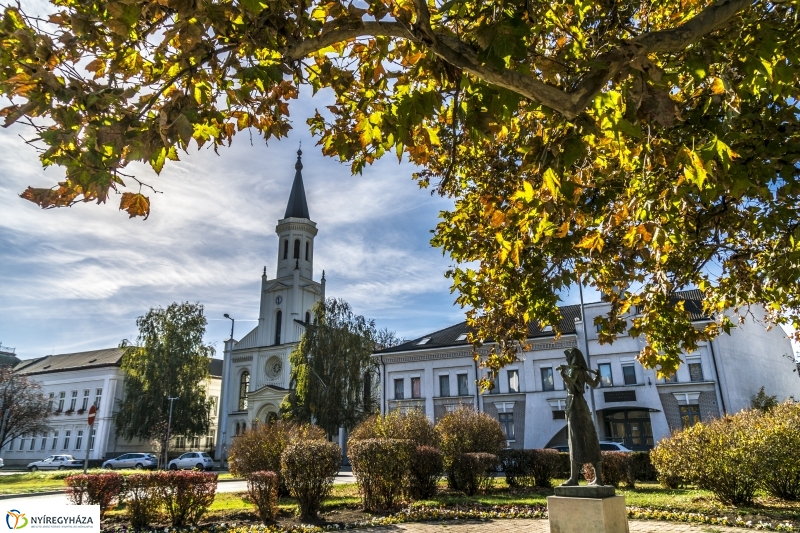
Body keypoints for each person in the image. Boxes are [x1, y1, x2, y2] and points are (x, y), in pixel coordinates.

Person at [557, 347, 604, 486]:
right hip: (583, 406)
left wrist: (563, 374)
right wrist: (598, 375)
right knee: (590, 438)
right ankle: (599, 479)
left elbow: (571, 383)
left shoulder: (574, 370)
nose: (567, 360)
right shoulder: (582, 371)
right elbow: (594, 384)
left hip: (575, 405)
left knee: (574, 441)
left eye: (569, 358)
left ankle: (574, 479)